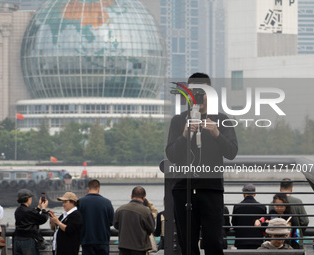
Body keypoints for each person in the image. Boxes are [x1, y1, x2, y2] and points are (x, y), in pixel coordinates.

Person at [165, 72, 238, 255]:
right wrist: (184, 135)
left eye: (202, 91)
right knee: (187, 244)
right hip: (183, 188)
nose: (197, 96)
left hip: (211, 188)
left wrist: (216, 133)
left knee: (213, 241)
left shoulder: (221, 119)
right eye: (193, 92)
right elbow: (172, 155)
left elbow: (231, 152)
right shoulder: (179, 120)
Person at [113, 186, 155, 255]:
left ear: (131, 196)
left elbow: (116, 225)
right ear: (144, 198)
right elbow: (151, 229)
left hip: (123, 246)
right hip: (140, 247)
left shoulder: (120, 209)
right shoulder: (146, 211)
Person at [78, 179, 114, 255]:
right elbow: (111, 221)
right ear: (99, 189)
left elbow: (78, 221)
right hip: (103, 240)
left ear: (88, 189)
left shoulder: (80, 202)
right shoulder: (107, 202)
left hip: (87, 240)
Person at [13, 189, 49, 255]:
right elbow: (43, 219)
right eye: (30, 197)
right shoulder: (29, 211)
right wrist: (44, 209)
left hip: (17, 240)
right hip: (28, 241)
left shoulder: (18, 210)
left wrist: (39, 208)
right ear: (28, 198)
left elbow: (32, 217)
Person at [231, 183, 266, 249]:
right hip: (257, 242)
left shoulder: (237, 207)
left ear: (243, 194)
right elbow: (263, 225)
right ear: (255, 194)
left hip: (241, 242)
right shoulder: (262, 207)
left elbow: (234, 224)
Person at [280, 178, 309, 248]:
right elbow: (305, 221)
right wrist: (300, 231)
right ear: (291, 188)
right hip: (296, 240)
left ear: (280, 188)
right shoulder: (298, 201)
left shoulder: (273, 203)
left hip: (278, 240)